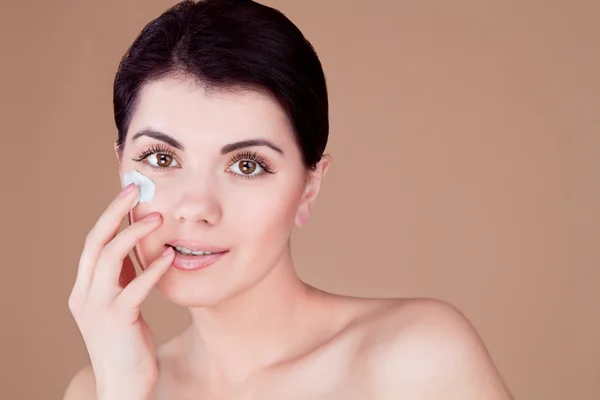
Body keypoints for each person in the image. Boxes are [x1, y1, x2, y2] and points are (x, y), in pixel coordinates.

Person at [64, 0, 514, 398]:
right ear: (122, 164)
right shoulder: (100, 387)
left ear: (309, 187)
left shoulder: (417, 360)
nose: (196, 207)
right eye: (161, 157)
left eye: (246, 165)